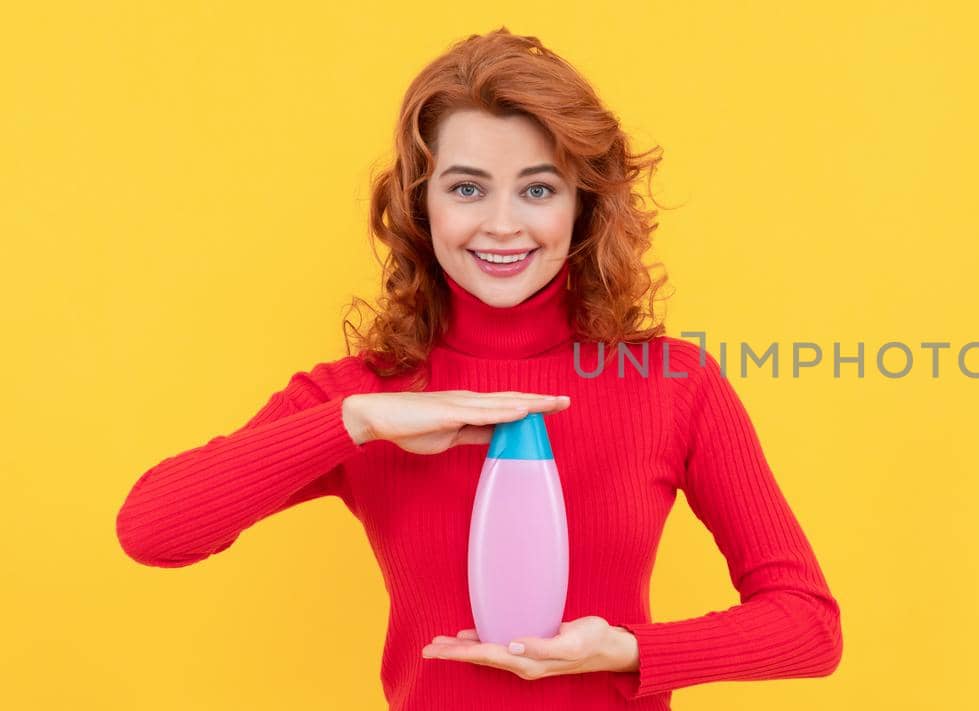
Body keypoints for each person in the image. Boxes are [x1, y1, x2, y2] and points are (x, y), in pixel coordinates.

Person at [115, 28, 842, 710]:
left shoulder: (673, 384)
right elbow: (151, 529)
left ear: (582, 207)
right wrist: (357, 423)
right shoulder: (364, 396)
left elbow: (809, 625)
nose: (502, 224)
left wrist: (626, 651)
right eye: (466, 188)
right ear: (419, 206)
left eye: (537, 188)